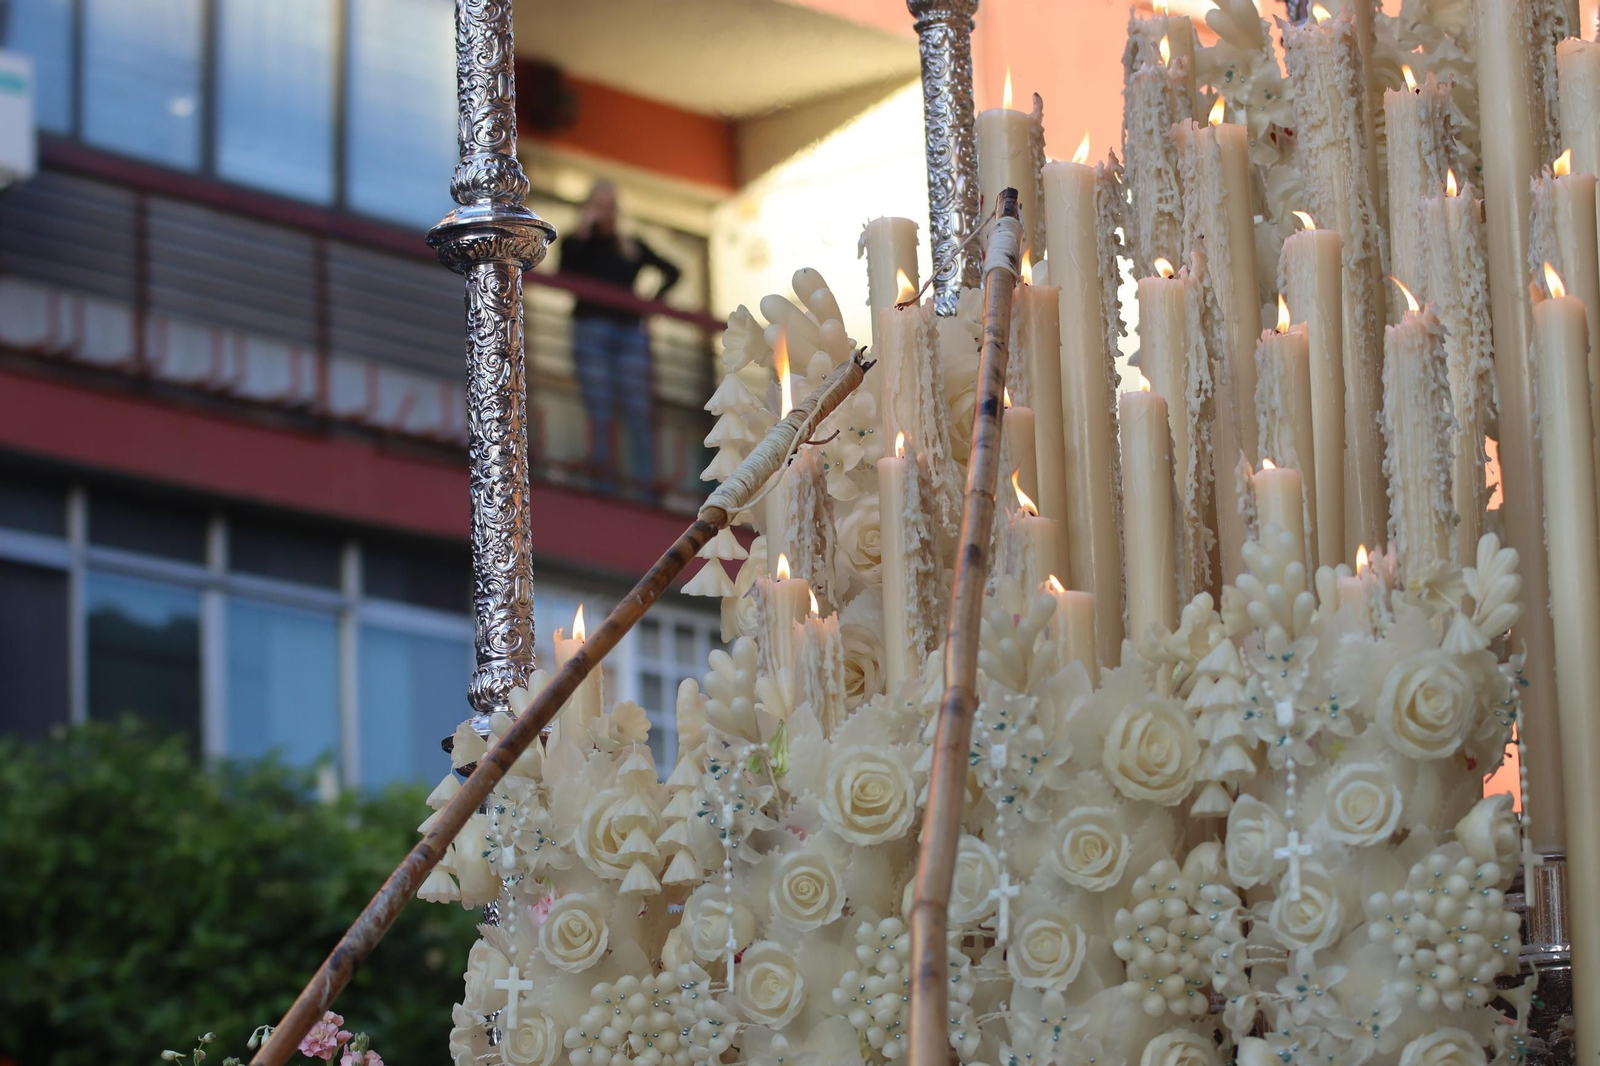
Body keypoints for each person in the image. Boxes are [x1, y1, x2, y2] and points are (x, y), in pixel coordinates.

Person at [558, 180, 681, 493]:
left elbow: (673, 271)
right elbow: (564, 274)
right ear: (588, 207)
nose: (605, 211)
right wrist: (585, 230)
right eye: (598, 204)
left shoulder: (630, 245)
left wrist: (650, 304)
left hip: (629, 333)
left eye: (609, 205)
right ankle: (604, 485)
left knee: (638, 409)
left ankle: (644, 486)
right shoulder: (576, 242)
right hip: (591, 330)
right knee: (599, 407)